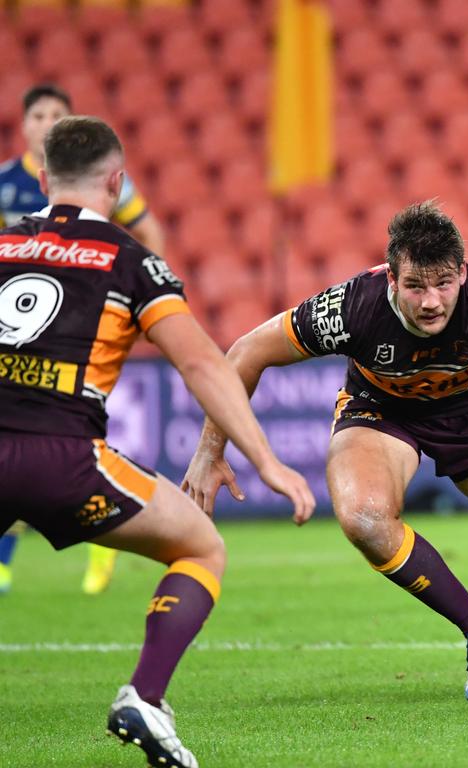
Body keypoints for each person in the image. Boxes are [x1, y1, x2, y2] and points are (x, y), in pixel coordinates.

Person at [183, 201, 468, 701]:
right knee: (364, 518)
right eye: (415, 286)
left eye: (442, 284)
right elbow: (244, 353)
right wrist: (209, 451)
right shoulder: (350, 307)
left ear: (461, 273)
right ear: (391, 278)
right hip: (379, 413)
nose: (430, 300)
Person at [0, 116, 316, 768]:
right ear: (117, 182)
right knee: (200, 545)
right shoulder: (131, 262)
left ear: (41, 178)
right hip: (62, 458)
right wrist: (266, 460)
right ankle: (144, 697)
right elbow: (202, 364)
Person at [0, 83, 169, 596]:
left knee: (56, 433)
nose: (47, 121)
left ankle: (100, 530)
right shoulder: (5, 183)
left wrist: (150, 297)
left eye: (58, 114)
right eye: (39, 114)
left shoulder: (102, 181)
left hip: (81, 330)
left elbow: (148, 232)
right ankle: (13, 558)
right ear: (24, 124)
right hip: (20, 329)